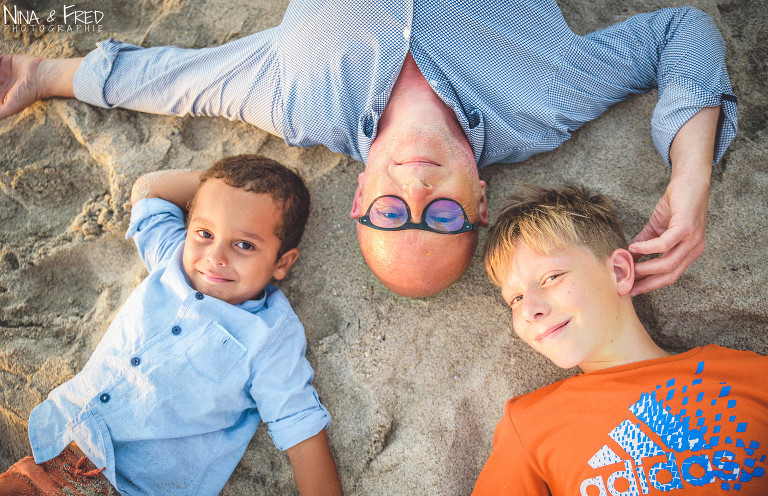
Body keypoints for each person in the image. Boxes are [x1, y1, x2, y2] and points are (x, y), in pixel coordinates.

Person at [0, 1, 738, 297]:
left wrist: (42, 74)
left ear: (358, 199)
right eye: (443, 220)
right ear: (481, 203)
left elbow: (177, 83)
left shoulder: (295, 99)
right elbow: (684, 33)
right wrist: (689, 174)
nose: (416, 196)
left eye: (390, 214)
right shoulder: (545, 103)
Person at [0, 155, 344, 496]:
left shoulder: (269, 335)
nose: (215, 256)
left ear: (283, 262)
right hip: (54, 454)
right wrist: (221, 186)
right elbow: (149, 190)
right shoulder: (173, 257)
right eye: (206, 233)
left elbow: (301, 433)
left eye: (244, 245)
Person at [465, 185, 768, 496]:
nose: (529, 309)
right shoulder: (528, 423)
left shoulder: (752, 377)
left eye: (552, 277)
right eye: (515, 298)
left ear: (620, 271)